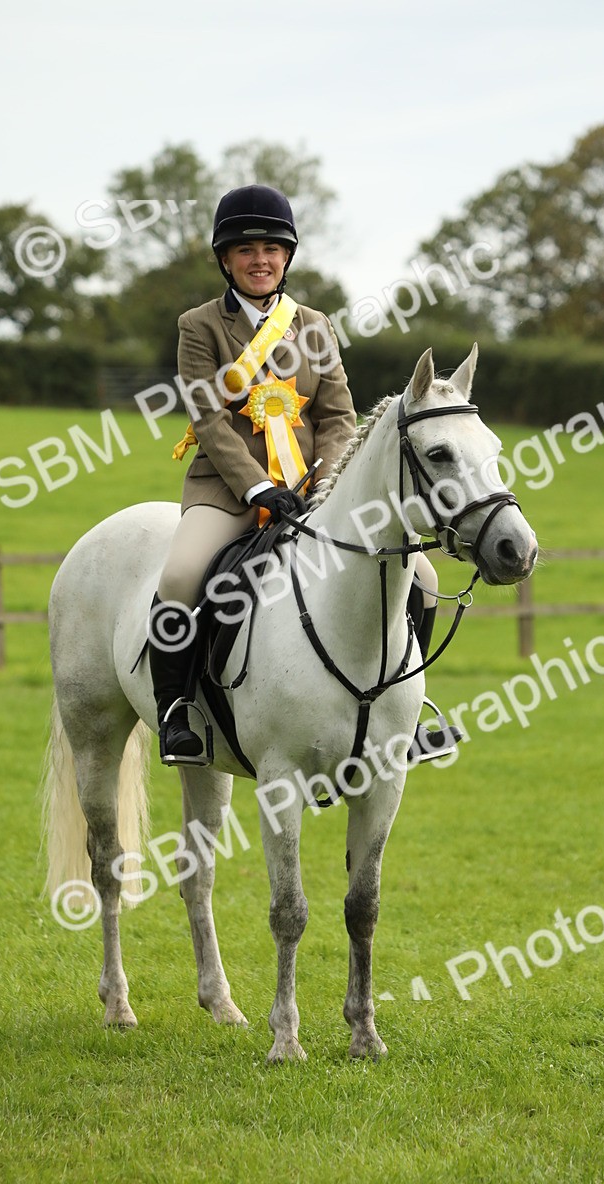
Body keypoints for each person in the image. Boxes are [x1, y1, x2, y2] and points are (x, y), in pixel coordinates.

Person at [149, 184, 454, 767]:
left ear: (287, 256)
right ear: (225, 259)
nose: (259, 259)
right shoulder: (199, 327)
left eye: (271, 247)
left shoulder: (313, 324)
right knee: (182, 576)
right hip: (228, 488)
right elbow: (208, 417)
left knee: (420, 572)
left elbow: (338, 414)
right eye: (245, 249)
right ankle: (175, 712)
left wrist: (329, 484)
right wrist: (258, 486)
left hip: (316, 488)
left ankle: (410, 713)